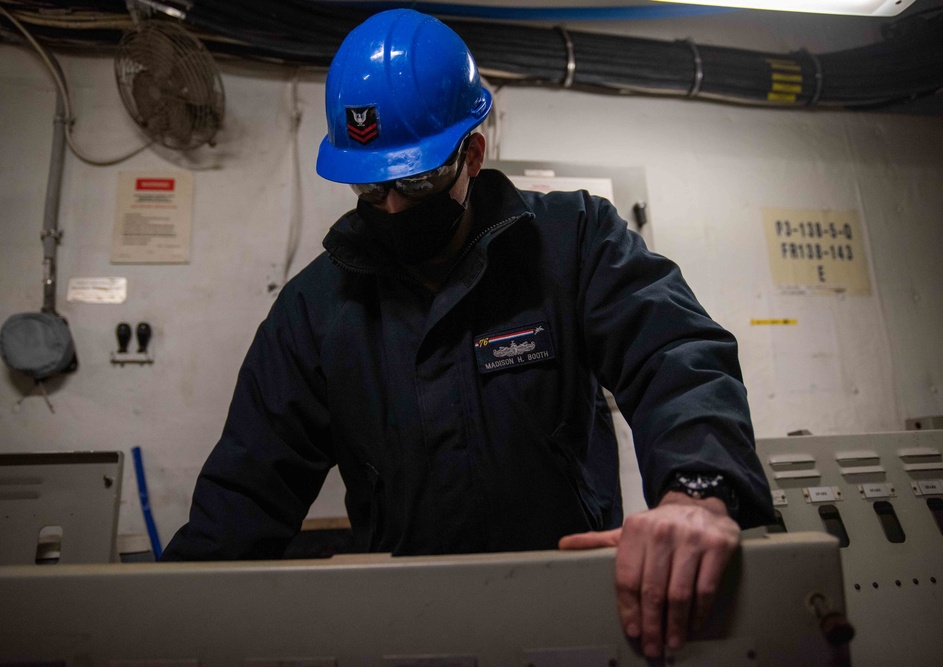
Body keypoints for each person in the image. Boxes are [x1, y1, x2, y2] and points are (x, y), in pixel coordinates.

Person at [162, 8, 773, 659]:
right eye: (370, 189)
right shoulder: (315, 310)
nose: (391, 208)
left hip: (573, 617)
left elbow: (674, 354)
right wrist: (165, 622)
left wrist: (698, 489)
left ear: (471, 155)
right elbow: (246, 489)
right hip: (411, 631)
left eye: (414, 181)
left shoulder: (571, 242)